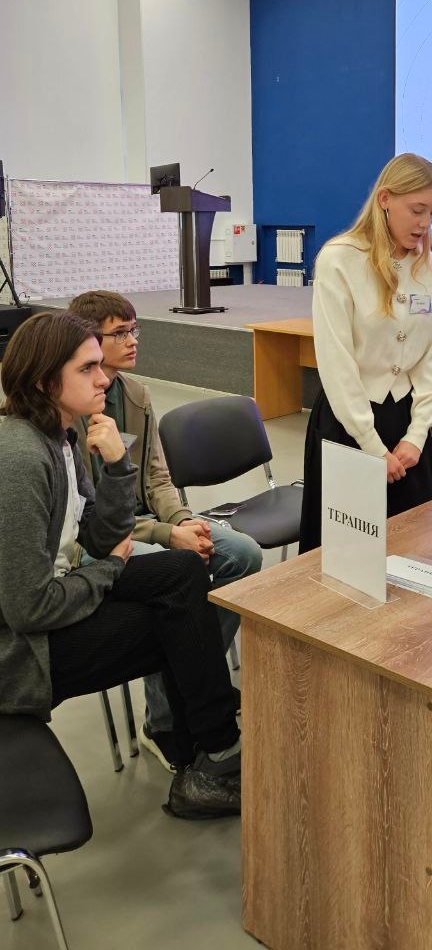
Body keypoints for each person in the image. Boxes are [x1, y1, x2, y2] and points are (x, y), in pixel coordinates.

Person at [0, 311, 242, 820]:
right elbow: (28, 609)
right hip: (24, 652)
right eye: (87, 368)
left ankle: (208, 752)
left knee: (183, 572)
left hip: (62, 593)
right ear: (45, 381)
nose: (104, 380)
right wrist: (108, 569)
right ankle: (212, 756)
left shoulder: (62, 437)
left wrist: (116, 466)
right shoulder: (20, 458)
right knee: (178, 626)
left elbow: (99, 534)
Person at [67, 290, 262, 771]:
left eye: (134, 330)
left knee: (243, 554)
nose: (133, 340)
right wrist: (165, 536)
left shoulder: (136, 395)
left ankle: (191, 683)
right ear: (88, 342)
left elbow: (157, 477)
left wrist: (183, 520)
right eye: (120, 333)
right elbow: (89, 519)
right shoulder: (68, 412)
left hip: (150, 526)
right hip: (97, 541)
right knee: (176, 576)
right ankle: (165, 720)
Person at [299, 153, 432, 553]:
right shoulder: (340, 260)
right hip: (349, 424)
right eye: (417, 210)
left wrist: (417, 435)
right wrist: (371, 445)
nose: (425, 223)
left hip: (407, 428)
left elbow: (430, 359)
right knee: (348, 556)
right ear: (385, 199)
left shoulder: (428, 267)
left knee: (414, 548)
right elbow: (337, 363)